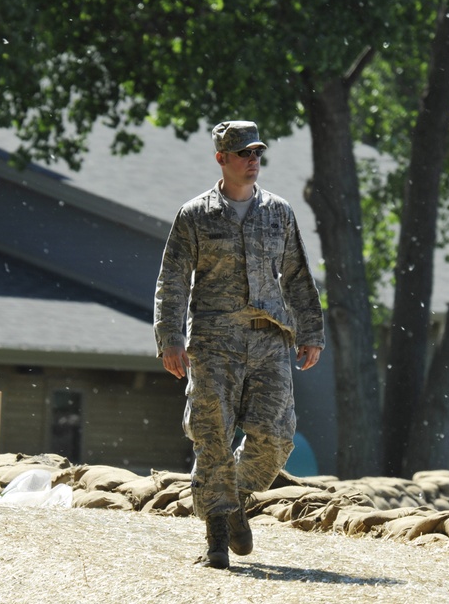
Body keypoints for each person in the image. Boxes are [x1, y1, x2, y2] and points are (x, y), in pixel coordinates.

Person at [154, 120, 325, 569]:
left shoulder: (279, 213)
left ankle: (233, 497)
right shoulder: (195, 215)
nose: (253, 161)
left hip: (269, 339)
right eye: (244, 153)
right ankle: (215, 537)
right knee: (212, 436)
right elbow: (172, 282)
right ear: (222, 159)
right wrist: (170, 339)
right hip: (214, 342)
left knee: (276, 435)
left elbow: (298, 277)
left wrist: (311, 333)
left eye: (257, 153)